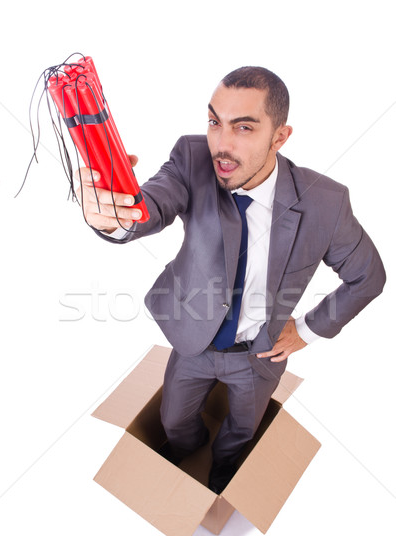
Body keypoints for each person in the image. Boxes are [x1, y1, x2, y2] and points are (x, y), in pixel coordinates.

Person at [76, 67, 386, 494]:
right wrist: (115, 215)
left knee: (242, 431)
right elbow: (151, 205)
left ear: (279, 137)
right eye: (214, 122)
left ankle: (223, 473)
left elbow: (368, 277)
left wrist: (309, 329)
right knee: (173, 420)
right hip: (194, 341)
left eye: (244, 128)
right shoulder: (192, 159)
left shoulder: (325, 203)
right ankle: (187, 451)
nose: (221, 144)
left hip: (259, 355)